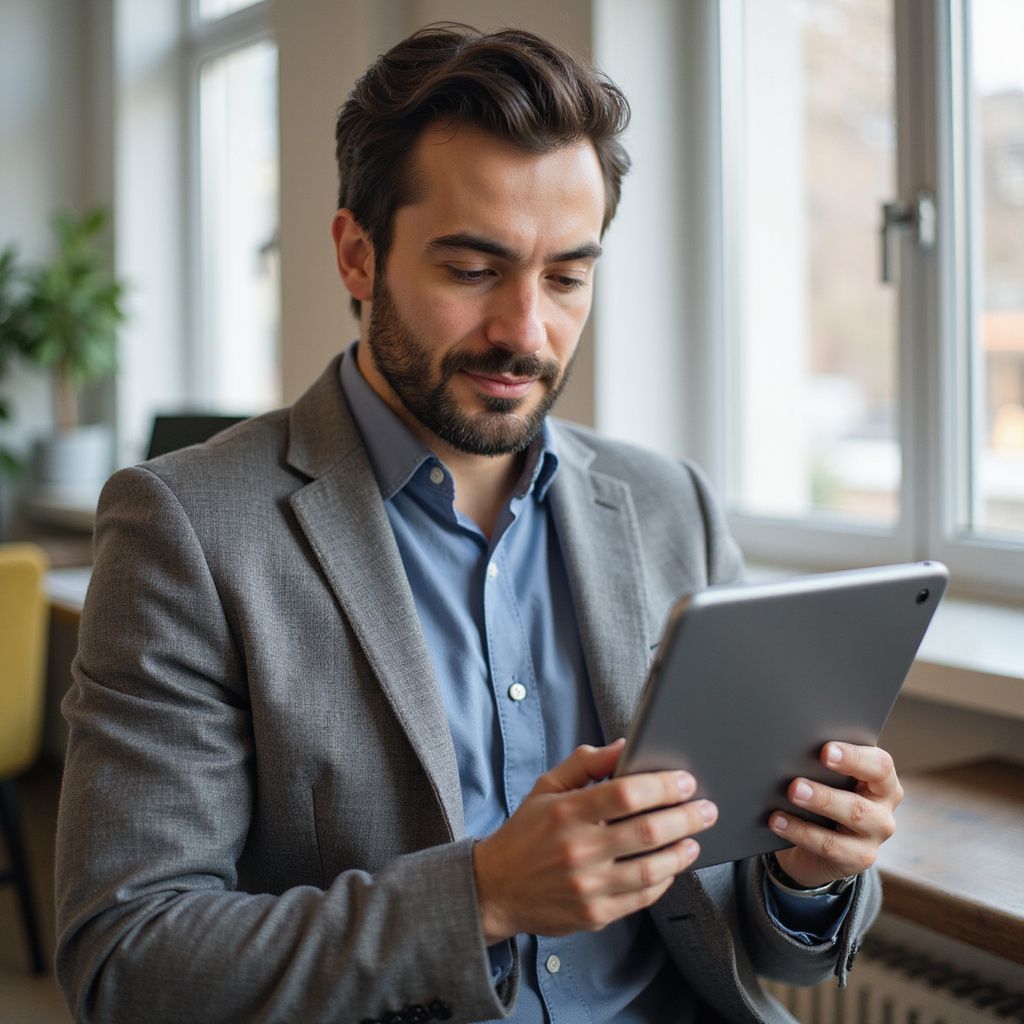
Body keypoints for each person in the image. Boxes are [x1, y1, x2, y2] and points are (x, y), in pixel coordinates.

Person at [55, 24, 901, 1024]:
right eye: (471, 269)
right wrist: (484, 895)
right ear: (357, 255)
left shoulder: (672, 504)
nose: (525, 331)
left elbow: (772, 952)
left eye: (565, 277)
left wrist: (806, 872)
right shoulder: (187, 527)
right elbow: (128, 961)